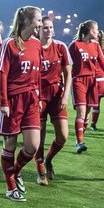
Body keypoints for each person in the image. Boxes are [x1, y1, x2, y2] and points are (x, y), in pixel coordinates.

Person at [0, 6, 44, 202]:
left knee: (33, 145)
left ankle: (14, 172)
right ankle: (11, 188)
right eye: (38, 20)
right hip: (13, 100)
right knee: (11, 144)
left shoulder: (37, 44)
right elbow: (2, 74)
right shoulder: (9, 44)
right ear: (26, 22)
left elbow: (38, 72)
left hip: (31, 99)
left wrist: (39, 97)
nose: (40, 24)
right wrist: (4, 102)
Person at [35, 15, 72, 185]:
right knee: (39, 139)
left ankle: (49, 159)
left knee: (63, 137)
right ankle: (40, 169)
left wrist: (65, 95)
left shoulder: (60, 46)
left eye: (50, 27)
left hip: (57, 94)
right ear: (39, 29)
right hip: (38, 95)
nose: (48, 30)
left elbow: (68, 73)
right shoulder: (33, 47)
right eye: (45, 27)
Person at [69, 20, 104, 153]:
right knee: (81, 111)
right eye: (96, 30)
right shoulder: (75, 45)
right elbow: (66, 64)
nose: (98, 32)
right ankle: (80, 142)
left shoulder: (96, 45)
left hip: (92, 81)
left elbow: (102, 61)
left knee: (86, 113)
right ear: (90, 31)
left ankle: (80, 138)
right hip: (79, 81)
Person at [90, 31, 104, 131]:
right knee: (86, 104)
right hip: (88, 78)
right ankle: (83, 124)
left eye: (98, 38)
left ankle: (93, 124)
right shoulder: (88, 48)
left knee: (96, 104)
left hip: (99, 79)